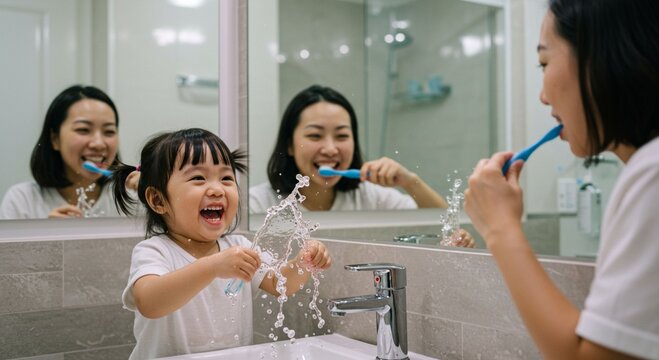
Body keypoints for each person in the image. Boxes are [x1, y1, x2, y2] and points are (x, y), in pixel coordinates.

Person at [464, 1, 659, 359]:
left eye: (544, 63)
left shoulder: (652, 173)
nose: (542, 96)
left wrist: (500, 228)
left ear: (600, 59)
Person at [113, 128, 332, 359]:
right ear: (158, 200)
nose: (217, 189)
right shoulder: (155, 251)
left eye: (226, 178)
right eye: (198, 178)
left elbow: (281, 284)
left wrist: (303, 262)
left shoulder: (238, 246)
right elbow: (149, 302)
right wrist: (213, 266)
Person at [250, 85, 474, 247]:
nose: (330, 148)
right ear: (289, 144)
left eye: (342, 136)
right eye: (315, 135)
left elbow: (446, 226)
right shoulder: (258, 205)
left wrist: (409, 181)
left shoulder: (372, 198)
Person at [0, 85, 129, 219]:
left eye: (109, 132)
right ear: (55, 139)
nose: (98, 143)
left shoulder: (132, 199)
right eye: (83, 130)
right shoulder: (22, 201)